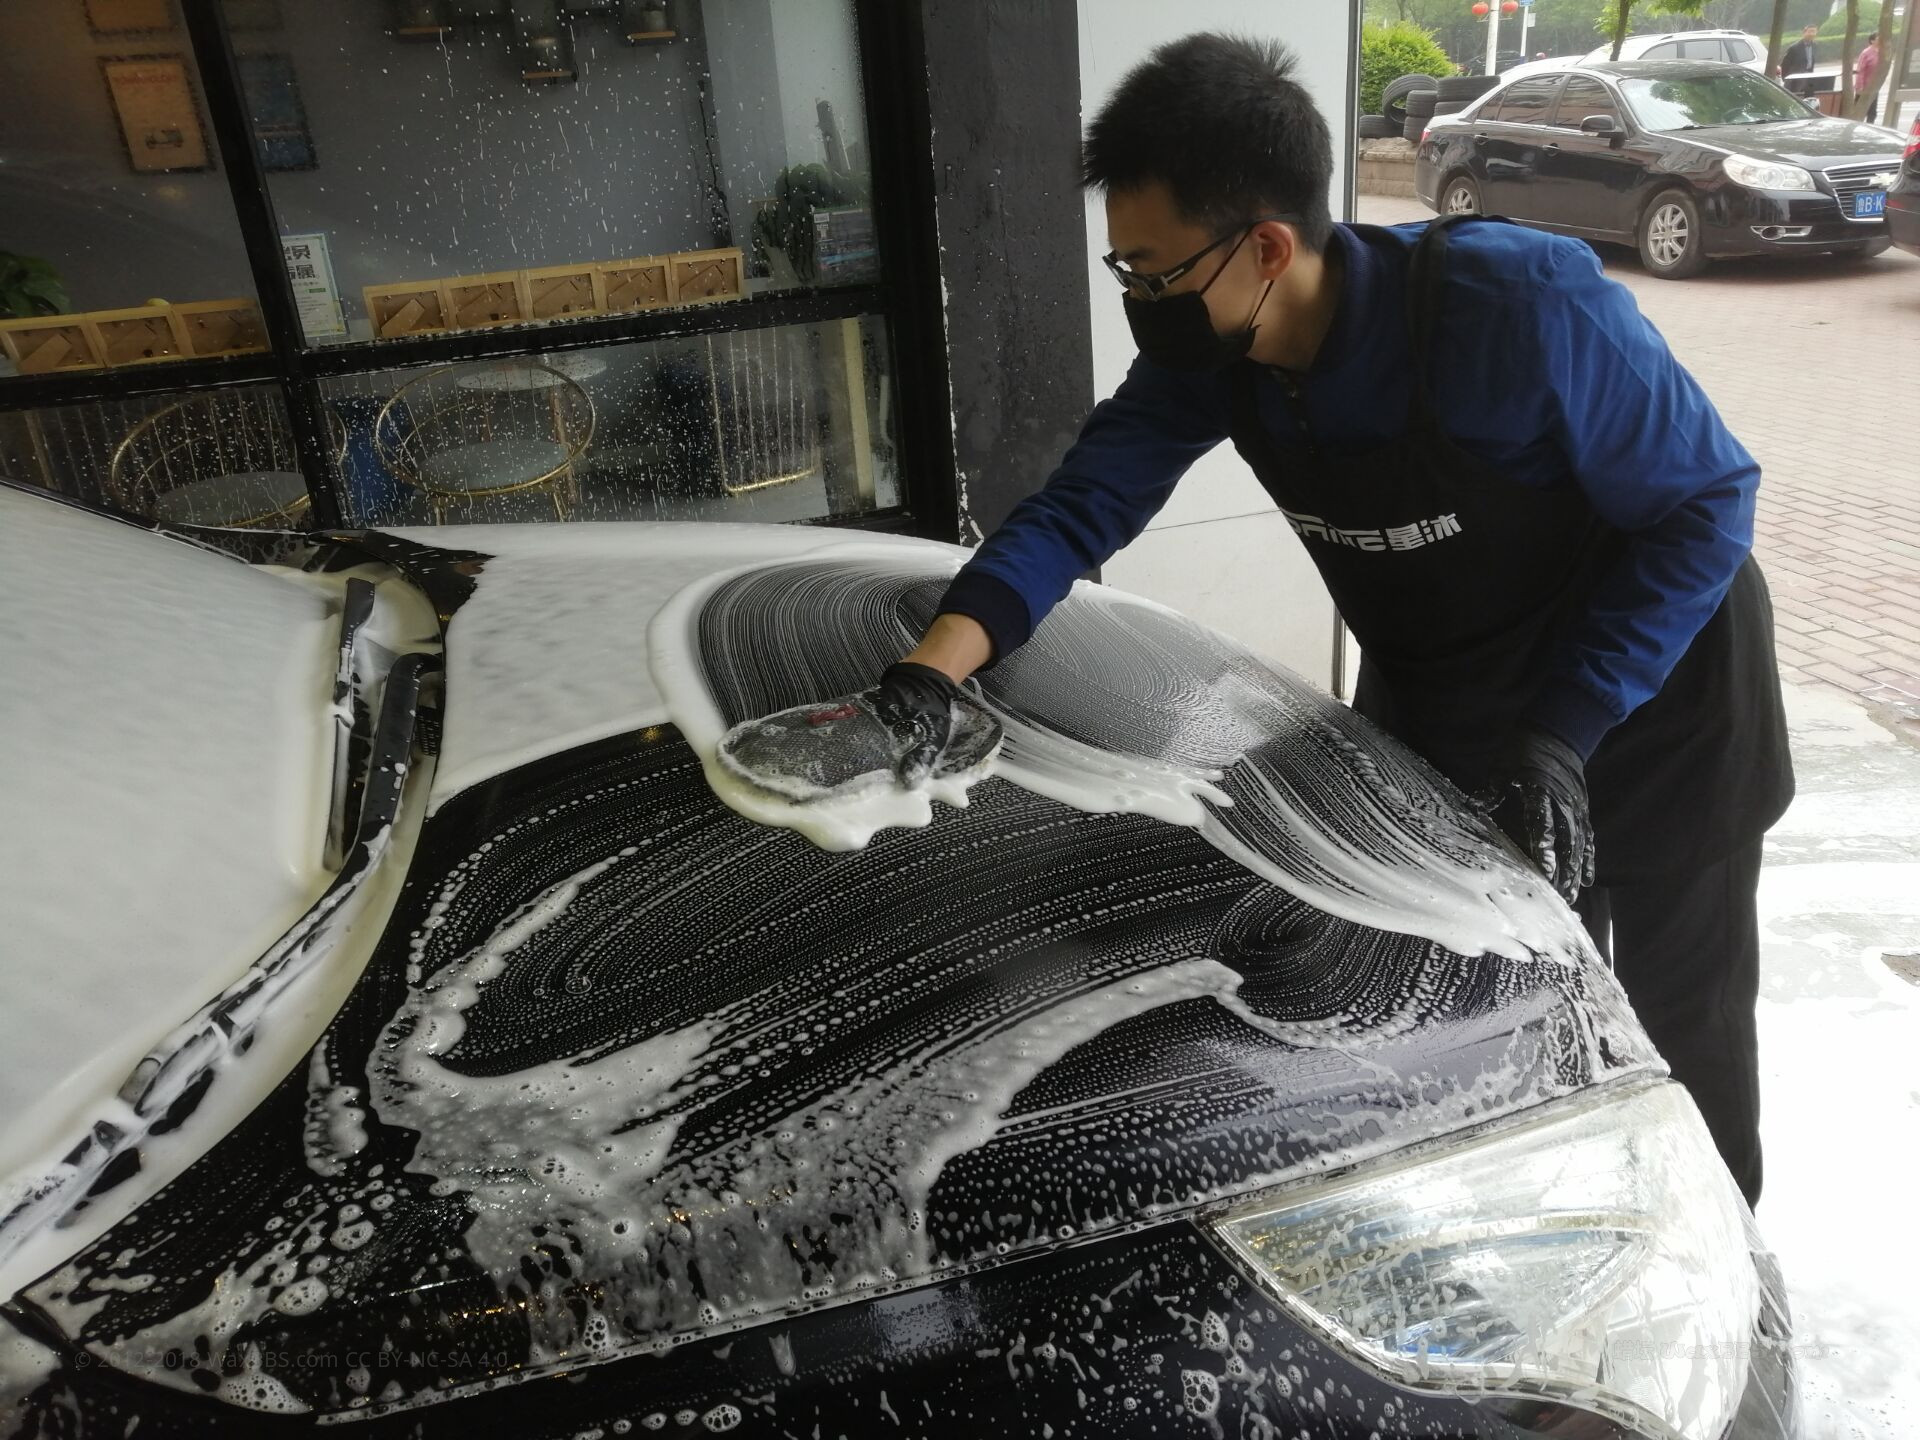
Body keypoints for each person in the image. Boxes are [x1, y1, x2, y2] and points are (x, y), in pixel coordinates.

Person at [766, 33, 1793, 1209]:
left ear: (1264, 246)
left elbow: (1708, 505)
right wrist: (927, 678)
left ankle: (1732, 1273)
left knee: (1682, 1028)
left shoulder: (1516, 306)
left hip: (1660, 707)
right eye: (1125, 271)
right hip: (1457, 698)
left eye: (1156, 272)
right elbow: (1077, 510)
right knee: (1494, 1012)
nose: (1142, 300)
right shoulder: (1215, 354)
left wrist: (1567, 726)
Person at [1779, 24, 1820, 93]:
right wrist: (1786, 79)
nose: (1812, 34)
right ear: (1804, 32)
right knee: (1795, 95)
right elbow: (1785, 64)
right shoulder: (1794, 48)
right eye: (1810, 31)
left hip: (1809, 76)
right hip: (1796, 78)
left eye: (1814, 32)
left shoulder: (1815, 46)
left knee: (1808, 95)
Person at [1855, 34, 1883, 123]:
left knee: (1872, 112)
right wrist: (1860, 87)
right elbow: (1861, 71)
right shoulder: (1866, 53)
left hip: (1874, 87)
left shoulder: (1881, 52)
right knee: (1859, 111)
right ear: (1872, 41)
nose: (1880, 41)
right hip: (1864, 87)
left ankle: (1870, 126)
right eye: (1878, 39)